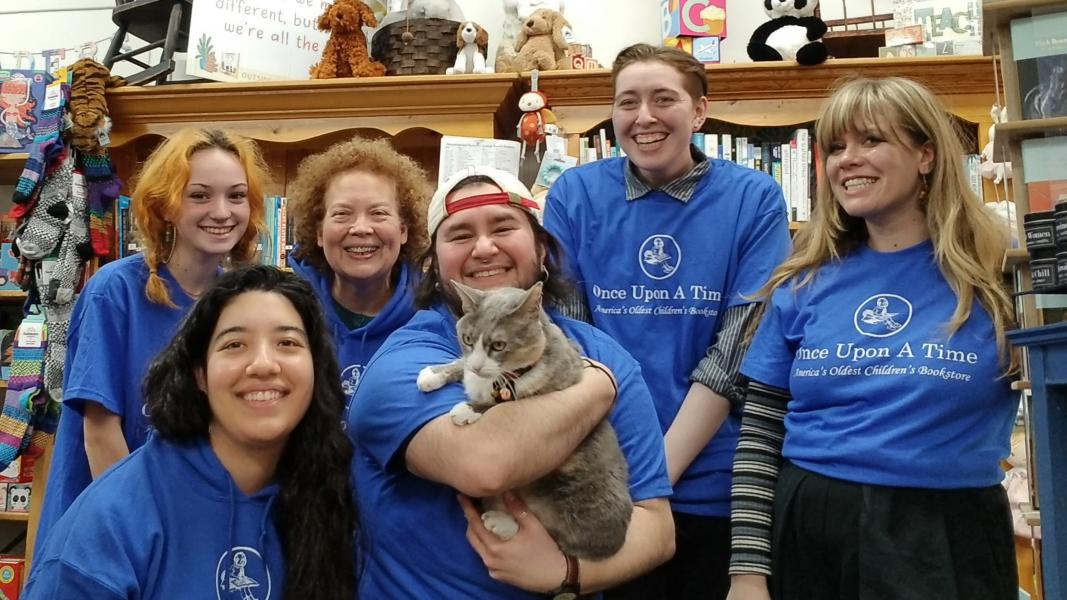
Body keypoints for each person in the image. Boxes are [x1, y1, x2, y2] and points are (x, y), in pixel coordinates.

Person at [727, 77, 1019, 600]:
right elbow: (759, 437)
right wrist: (747, 574)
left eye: (871, 140)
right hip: (809, 531)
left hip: (946, 535)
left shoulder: (999, 278)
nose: (848, 160)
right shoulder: (802, 283)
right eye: (836, 147)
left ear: (926, 155)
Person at [349, 166, 675, 598]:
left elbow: (657, 528)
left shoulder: (605, 353)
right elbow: (485, 466)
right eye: (460, 234)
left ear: (541, 249)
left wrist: (567, 573)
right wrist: (596, 387)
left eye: (503, 227)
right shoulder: (404, 361)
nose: (485, 248)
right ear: (433, 264)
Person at [543, 43, 791, 599]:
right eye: (627, 102)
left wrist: (651, 480)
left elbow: (734, 355)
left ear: (699, 112)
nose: (644, 117)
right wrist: (621, 481)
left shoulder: (753, 198)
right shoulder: (575, 194)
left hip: (711, 489)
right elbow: (574, 346)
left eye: (663, 99)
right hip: (600, 477)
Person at [24, 266, 356, 599]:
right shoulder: (111, 523)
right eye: (235, 344)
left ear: (316, 366)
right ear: (200, 374)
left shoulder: (333, 495)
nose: (264, 364)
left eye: (287, 342)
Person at [34, 129, 270, 556]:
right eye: (199, 195)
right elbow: (100, 435)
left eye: (236, 196)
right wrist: (146, 539)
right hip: (112, 534)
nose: (222, 211)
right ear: (166, 205)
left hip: (192, 529)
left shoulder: (238, 302)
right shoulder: (115, 290)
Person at [287, 136, 431, 402]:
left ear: (403, 230)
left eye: (378, 213)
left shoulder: (434, 317)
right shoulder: (288, 314)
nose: (361, 228)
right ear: (319, 233)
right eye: (342, 214)